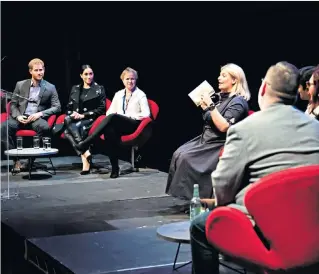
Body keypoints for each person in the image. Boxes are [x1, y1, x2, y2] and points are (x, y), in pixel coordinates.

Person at [190, 61, 319, 274]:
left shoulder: (244, 130)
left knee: (200, 226)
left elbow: (223, 185)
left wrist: (223, 206)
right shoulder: (315, 127)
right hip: (311, 222)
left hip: (265, 223)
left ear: (264, 88)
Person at [165, 63, 250, 202]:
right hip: (207, 139)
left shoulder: (238, 102)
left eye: (224, 76)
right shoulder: (220, 98)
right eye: (219, 75)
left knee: (187, 158)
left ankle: (202, 200)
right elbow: (210, 117)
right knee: (178, 153)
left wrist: (210, 106)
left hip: (221, 143)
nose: (219, 78)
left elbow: (224, 127)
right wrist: (206, 107)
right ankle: (193, 198)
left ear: (234, 80)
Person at [76, 67, 150, 178]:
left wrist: (126, 116)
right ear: (123, 80)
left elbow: (146, 114)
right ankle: (115, 168)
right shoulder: (118, 94)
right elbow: (110, 112)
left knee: (114, 117)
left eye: (132, 79)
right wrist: (116, 116)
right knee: (109, 130)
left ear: (136, 80)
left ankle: (88, 141)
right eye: (127, 79)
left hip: (133, 124)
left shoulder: (140, 95)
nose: (130, 81)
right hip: (118, 123)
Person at [0, 58, 61, 172]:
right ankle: (16, 161)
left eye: (41, 70)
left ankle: (30, 162)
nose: (39, 73)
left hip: (36, 118)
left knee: (45, 127)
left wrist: (40, 114)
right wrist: (18, 116)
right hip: (20, 117)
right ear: (30, 71)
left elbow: (57, 107)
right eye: (36, 70)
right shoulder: (20, 84)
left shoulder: (50, 87)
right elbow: (13, 104)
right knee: (3, 127)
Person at [61, 65, 106, 175]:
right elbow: (68, 107)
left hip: (91, 119)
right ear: (81, 75)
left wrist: (83, 115)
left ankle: (85, 159)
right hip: (76, 118)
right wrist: (73, 114)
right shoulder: (75, 89)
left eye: (91, 74)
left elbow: (101, 109)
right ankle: (85, 151)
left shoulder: (99, 89)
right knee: (68, 119)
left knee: (67, 131)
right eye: (86, 74)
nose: (89, 76)